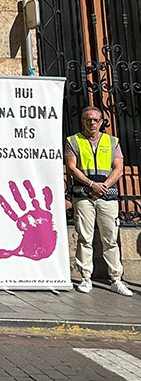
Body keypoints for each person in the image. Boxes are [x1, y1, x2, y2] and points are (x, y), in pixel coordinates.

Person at [65, 106, 132, 296]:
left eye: (95, 119)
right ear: (83, 122)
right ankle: (85, 277)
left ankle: (116, 279)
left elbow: (118, 168)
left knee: (110, 238)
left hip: (107, 196)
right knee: (84, 237)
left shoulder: (112, 141)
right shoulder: (73, 141)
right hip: (83, 195)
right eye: (88, 119)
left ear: (101, 122)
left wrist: (103, 186)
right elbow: (71, 167)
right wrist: (91, 184)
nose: (92, 123)